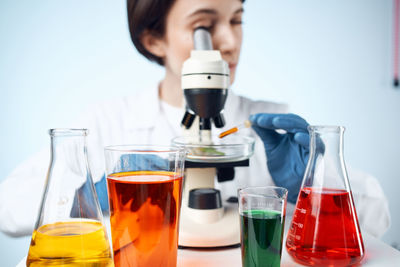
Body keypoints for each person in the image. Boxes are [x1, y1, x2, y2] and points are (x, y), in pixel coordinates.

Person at [0, 0, 390, 238]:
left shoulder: (268, 123)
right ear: (155, 40)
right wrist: (88, 195)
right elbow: (9, 208)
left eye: (237, 20)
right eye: (203, 26)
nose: (230, 42)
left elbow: (376, 219)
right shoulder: (109, 120)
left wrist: (314, 183)